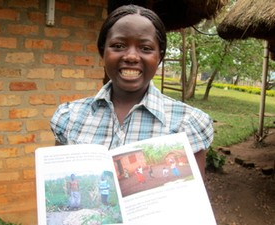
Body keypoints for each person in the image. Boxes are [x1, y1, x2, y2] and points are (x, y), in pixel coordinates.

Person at [50, 4, 213, 178]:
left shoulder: (186, 123)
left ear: (160, 56)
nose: (131, 56)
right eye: (118, 46)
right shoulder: (71, 117)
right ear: (102, 51)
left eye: (146, 48)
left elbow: (193, 201)